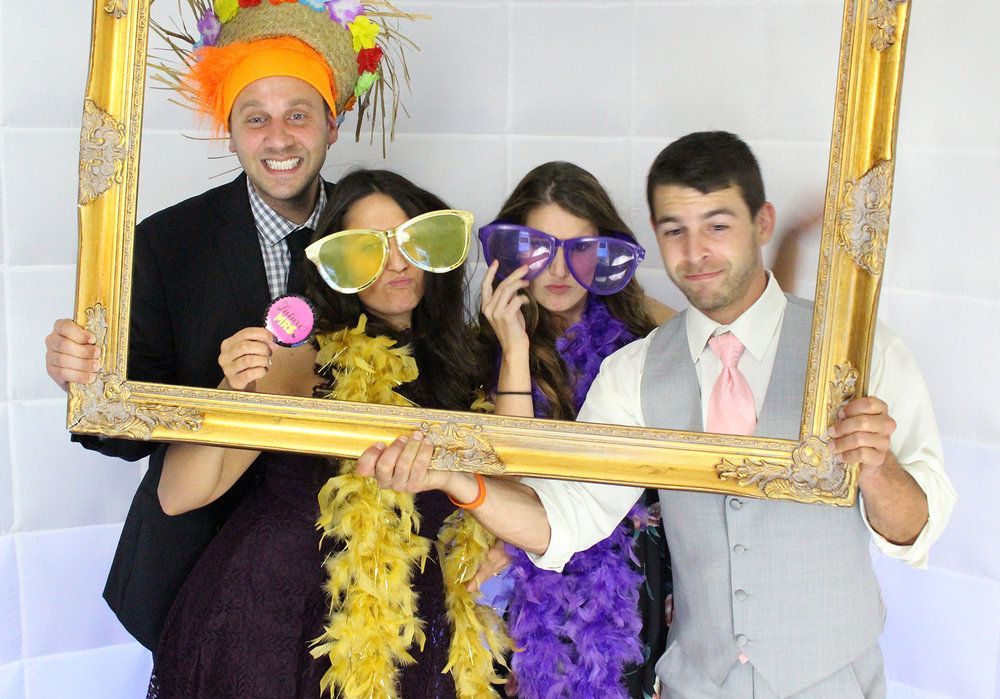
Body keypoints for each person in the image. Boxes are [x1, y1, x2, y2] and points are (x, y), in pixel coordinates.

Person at [356, 132, 957, 697]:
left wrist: (877, 471)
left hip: (834, 680)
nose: (695, 252)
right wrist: (454, 478)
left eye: (717, 225)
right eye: (675, 231)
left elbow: (918, 530)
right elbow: (565, 520)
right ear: (655, 238)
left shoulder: (858, 352)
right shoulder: (635, 372)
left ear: (761, 223)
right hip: (691, 680)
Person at [42, 0, 414, 651]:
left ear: (332, 121)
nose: (278, 137)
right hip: (199, 570)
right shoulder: (163, 245)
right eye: (256, 118)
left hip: (353, 575)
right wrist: (84, 378)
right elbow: (126, 434)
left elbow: (421, 377)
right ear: (232, 129)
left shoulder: (380, 233)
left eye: (298, 115)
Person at [149, 169, 510, 698]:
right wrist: (232, 389)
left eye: (414, 241)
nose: (396, 263)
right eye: (365, 251)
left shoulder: (472, 360)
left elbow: (515, 481)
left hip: (410, 625)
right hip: (278, 618)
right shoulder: (304, 359)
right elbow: (180, 495)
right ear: (334, 265)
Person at [477, 161, 672, 698]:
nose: (559, 270)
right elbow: (511, 472)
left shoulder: (644, 332)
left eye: (581, 248)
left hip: (624, 576)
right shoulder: (480, 345)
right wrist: (514, 349)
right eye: (541, 249)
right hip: (523, 574)